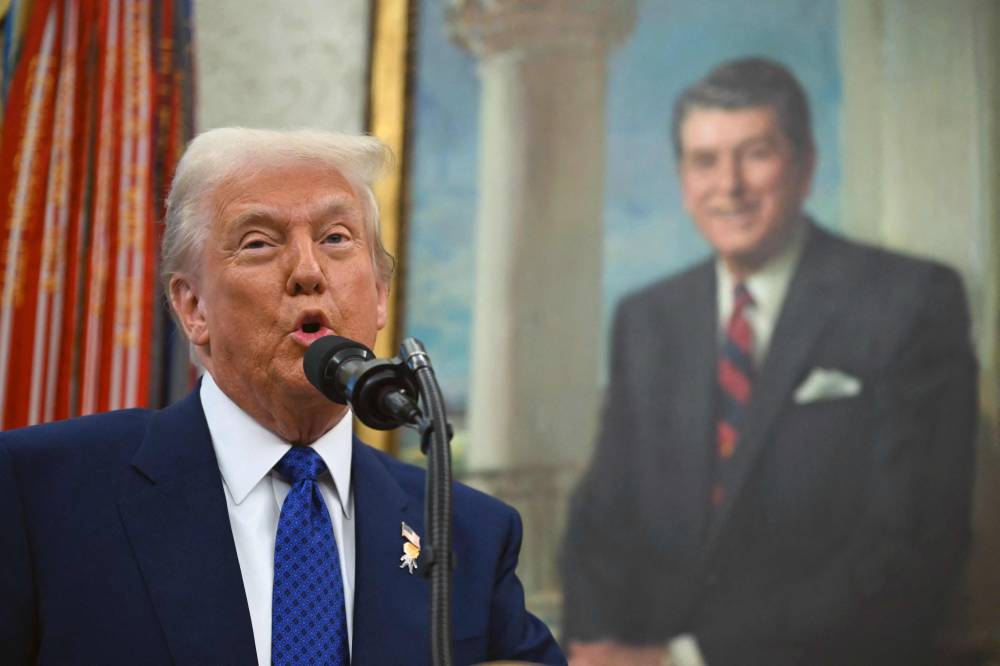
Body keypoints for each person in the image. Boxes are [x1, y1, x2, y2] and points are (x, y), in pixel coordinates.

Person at [0, 128, 566, 665]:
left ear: (379, 297)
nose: (308, 270)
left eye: (336, 238)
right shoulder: (40, 493)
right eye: (259, 242)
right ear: (193, 307)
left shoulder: (468, 532)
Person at [560, 58, 977, 666]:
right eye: (705, 161)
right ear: (683, 180)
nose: (729, 186)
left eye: (755, 153)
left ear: (805, 166)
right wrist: (595, 650)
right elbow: (601, 521)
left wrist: (684, 659)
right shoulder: (648, 318)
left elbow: (912, 546)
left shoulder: (909, 302)